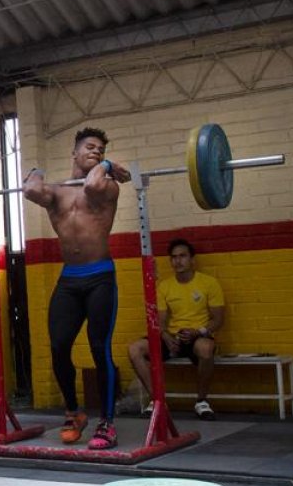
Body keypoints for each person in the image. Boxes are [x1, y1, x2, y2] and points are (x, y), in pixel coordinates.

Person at [23, 127, 132, 450]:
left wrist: (109, 165)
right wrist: (38, 170)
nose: (95, 152)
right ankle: (73, 412)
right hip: (69, 280)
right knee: (58, 346)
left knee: (100, 348)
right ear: (74, 152)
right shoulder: (56, 192)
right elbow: (29, 190)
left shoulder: (107, 188)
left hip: (100, 277)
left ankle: (107, 423)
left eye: (100, 149)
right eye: (89, 147)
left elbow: (93, 182)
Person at [127, 238, 225, 420]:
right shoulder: (165, 286)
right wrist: (165, 336)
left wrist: (199, 331)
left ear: (192, 260)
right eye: (174, 257)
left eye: (182, 256)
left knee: (206, 348)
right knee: (135, 349)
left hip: (197, 335)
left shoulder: (209, 283)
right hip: (172, 337)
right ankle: (157, 400)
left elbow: (218, 319)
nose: (178, 261)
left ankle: (202, 402)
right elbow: (160, 320)